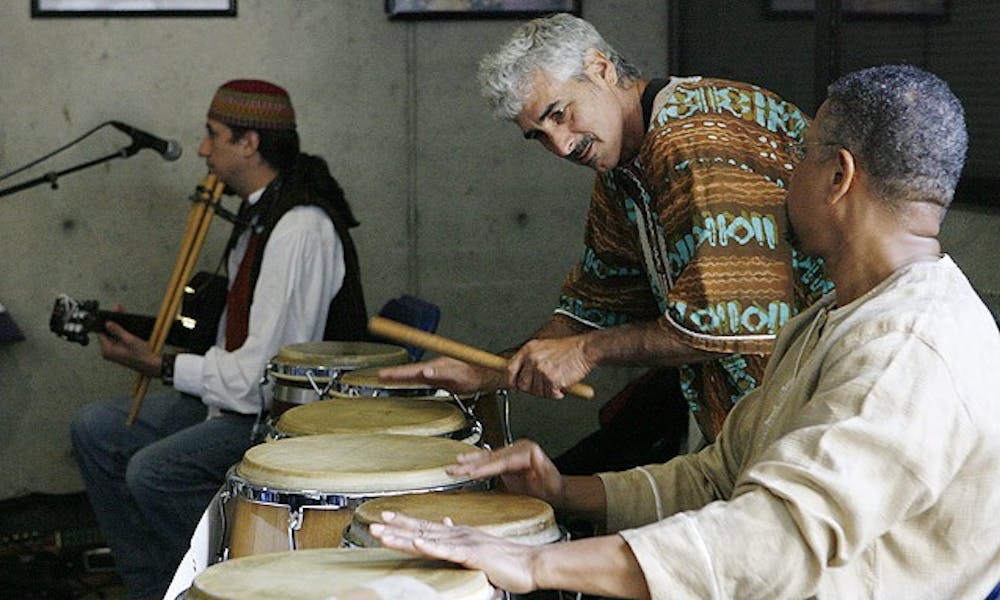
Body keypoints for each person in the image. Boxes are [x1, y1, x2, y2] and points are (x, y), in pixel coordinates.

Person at [370, 64, 1000, 599]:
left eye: (799, 155)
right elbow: (717, 477)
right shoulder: (826, 320)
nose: (782, 174)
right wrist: (565, 491)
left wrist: (536, 563)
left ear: (837, 177)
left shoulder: (909, 348)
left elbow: (771, 537)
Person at [380, 13, 831, 474]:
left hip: (824, 419)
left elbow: (725, 322)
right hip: (750, 428)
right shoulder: (621, 167)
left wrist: (586, 352)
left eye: (560, 114)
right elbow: (592, 307)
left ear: (600, 68)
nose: (560, 145)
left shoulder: (693, 137)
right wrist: (486, 373)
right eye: (539, 135)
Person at [70, 79, 368, 600]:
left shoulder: (299, 226)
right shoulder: (258, 212)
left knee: (155, 472)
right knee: (96, 429)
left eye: (213, 135)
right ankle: (157, 586)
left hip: (283, 422)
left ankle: (229, 587)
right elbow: (227, 333)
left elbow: (263, 381)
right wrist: (147, 337)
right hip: (232, 405)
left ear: (249, 142)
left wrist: (160, 366)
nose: (203, 149)